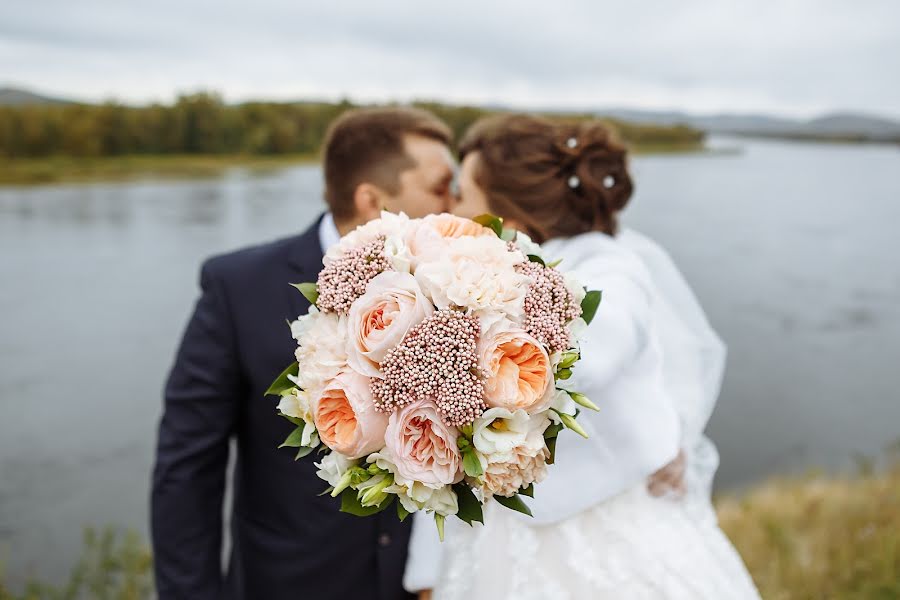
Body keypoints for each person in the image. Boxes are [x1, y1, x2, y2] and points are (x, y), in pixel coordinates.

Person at [405, 113, 760, 599]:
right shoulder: (459, 281)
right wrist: (425, 575)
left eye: (463, 195)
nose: (452, 210)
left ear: (507, 212)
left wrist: (435, 344)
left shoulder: (609, 266)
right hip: (491, 542)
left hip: (605, 543)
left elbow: (594, 352)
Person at [151, 106, 456, 600]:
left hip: (427, 582)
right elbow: (186, 468)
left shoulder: (461, 287)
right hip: (293, 581)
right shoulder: (239, 288)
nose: (456, 201)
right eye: (441, 187)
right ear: (372, 200)